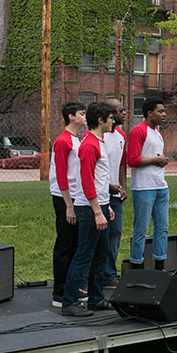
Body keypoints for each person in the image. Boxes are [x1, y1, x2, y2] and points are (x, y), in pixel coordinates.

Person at [62, 102, 116, 316]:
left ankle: (96, 298)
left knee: (101, 254)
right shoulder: (89, 145)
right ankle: (69, 302)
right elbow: (86, 181)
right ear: (101, 120)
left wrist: (106, 206)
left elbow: (100, 180)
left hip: (100, 205)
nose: (114, 121)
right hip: (88, 208)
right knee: (84, 254)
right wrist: (96, 211)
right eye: (111, 118)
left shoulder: (99, 141)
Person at [50, 102, 87, 308]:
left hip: (76, 196)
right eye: (82, 113)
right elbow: (61, 175)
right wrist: (68, 206)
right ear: (71, 116)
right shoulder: (63, 141)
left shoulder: (77, 139)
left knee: (75, 243)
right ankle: (60, 292)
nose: (85, 116)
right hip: (65, 197)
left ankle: (72, 287)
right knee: (64, 243)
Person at [128, 97, 169, 270]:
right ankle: (136, 266)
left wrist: (159, 161)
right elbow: (132, 159)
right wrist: (156, 160)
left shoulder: (157, 132)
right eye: (160, 111)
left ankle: (160, 266)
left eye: (164, 111)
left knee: (162, 228)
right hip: (144, 188)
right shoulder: (139, 130)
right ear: (149, 113)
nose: (164, 114)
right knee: (141, 230)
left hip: (161, 186)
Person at [102, 98, 127, 288]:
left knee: (115, 233)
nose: (124, 113)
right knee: (100, 236)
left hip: (115, 193)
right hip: (100, 194)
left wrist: (122, 186)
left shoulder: (121, 135)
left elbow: (121, 163)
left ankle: (109, 275)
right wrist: (107, 186)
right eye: (120, 110)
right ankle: (94, 275)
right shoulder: (97, 136)